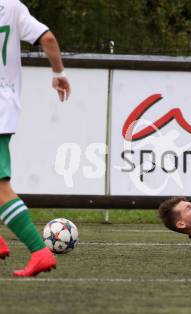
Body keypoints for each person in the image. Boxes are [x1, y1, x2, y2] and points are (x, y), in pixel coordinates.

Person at [0, 0, 71, 277]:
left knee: (1, 187)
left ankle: (39, 252)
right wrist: (58, 73)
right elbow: (48, 38)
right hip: (6, 103)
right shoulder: (11, 6)